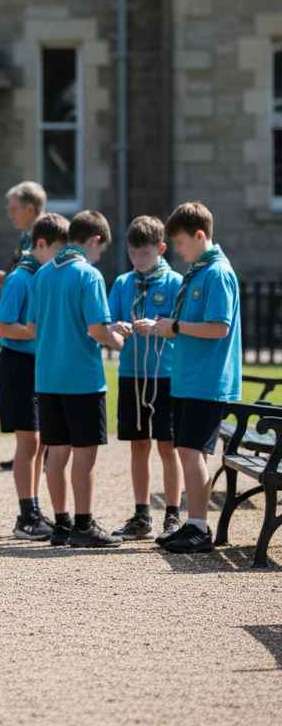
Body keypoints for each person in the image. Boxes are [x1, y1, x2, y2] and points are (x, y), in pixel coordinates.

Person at [27, 210, 127, 549]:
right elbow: (96, 329)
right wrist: (117, 339)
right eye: (101, 248)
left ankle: (61, 524)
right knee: (85, 455)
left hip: (47, 376)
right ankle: (84, 524)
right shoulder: (89, 274)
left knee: (56, 453)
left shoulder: (41, 274)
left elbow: (35, 326)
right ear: (95, 240)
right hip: (82, 379)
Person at [147, 201, 241, 555]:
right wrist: (168, 328)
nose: (179, 252)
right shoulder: (199, 271)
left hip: (206, 379)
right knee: (187, 450)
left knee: (190, 451)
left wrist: (175, 326)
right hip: (189, 377)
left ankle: (199, 528)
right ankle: (193, 523)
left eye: (182, 244)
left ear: (200, 235)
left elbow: (219, 327)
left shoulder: (217, 273)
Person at [107, 216, 183, 542]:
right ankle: (141, 514)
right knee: (139, 445)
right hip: (132, 374)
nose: (139, 260)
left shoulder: (175, 282)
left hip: (165, 375)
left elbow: (183, 331)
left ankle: (173, 515)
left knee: (168, 446)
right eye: (134, 253)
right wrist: (117, 329)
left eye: (146, 254)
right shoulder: (123, 283)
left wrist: (157, 326)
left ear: (161, 249)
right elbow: (107, 325)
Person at [0, 212, 68, 541]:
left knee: (40, 442)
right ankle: (26, 514)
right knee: (29, 442)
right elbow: (2, 326)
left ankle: (35, 509)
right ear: (41, 244)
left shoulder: (44, 276)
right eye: (59, 250)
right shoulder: (20, 279)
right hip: (17, 365)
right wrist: (38, 331)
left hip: (38, 365)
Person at [0, 181, 47, 470]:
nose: (10, 215)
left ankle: (40, 452)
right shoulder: (24, 238)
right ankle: (27, 452)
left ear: (30, 208)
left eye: (14, 209)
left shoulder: (45, 237)